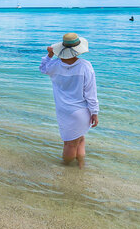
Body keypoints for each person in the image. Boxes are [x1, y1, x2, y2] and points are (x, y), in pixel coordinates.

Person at [40, 32, 99, 167]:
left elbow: (43, 68)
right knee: (80, 139)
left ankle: (66, 169)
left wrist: (49, 55)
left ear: (62, 49)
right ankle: (80, 167)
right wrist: (94, 112)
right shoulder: (85, 66)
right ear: (78, 50)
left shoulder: (54, 65)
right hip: (81, 111)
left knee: (69, 143)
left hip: (64, 110)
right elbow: (91, 93)